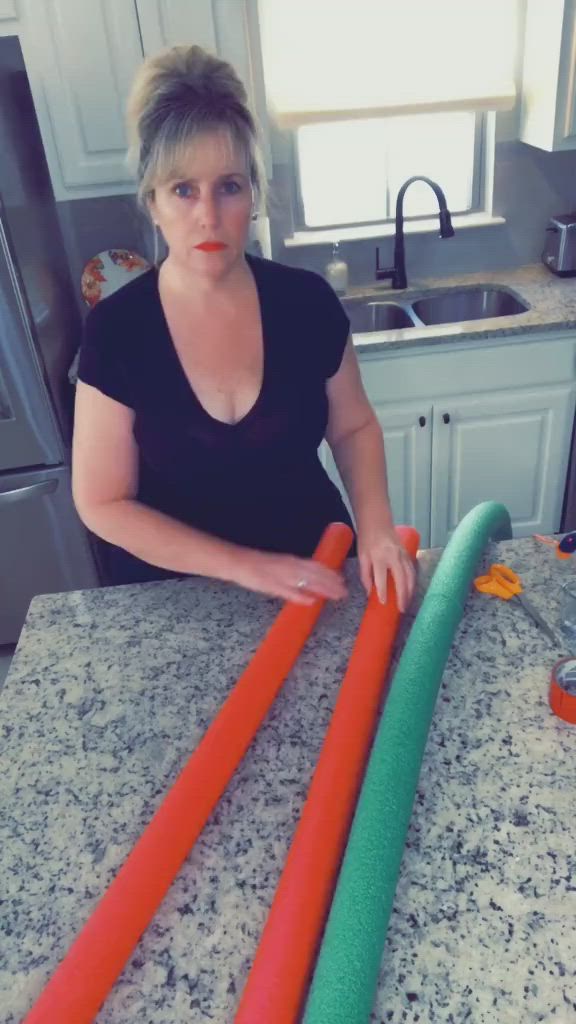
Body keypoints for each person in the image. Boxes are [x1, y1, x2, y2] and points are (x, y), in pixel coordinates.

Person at [72, 45, 416, 612]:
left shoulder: (306, 303)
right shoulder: (116, 330)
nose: (208, 214)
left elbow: (354, 428)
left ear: (252, 194)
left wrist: (377, 528)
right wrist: (244, 566)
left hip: (316, 573)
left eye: (228, 185)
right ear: (152, 202)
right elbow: (103, 502)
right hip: (175, 599)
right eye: (183, 189)